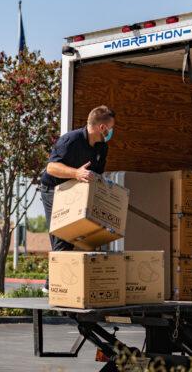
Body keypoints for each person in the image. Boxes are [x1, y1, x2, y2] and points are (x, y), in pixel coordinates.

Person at [39, 105, 115, 292]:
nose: (113, 131)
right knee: (63, 235)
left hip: (75, 190)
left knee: (76, 234)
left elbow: (96, 175)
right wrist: (76, 173)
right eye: (112, 127)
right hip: (53, 190)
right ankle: (53, 288)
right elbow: (51, 168)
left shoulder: (102, 147)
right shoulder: (70, 140)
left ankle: (57, 287)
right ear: (102, 128)